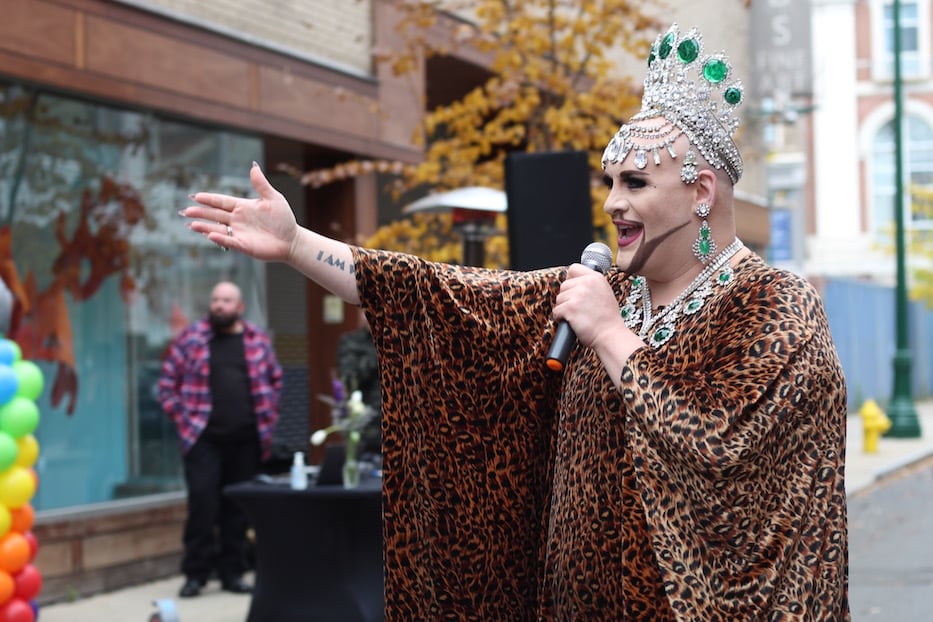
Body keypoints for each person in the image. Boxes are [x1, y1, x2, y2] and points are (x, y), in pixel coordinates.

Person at [180, 23, 849, 621]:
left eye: (635, 183)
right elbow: (442, 297)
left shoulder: (772, 304)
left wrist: (611, 336)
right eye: (608, 182)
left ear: (701, 192)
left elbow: (716, 445)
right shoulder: (602, 290)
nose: (613, 202)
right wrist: (298, 246)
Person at [158, 281, 283, 598]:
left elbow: (276, 381)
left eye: (226, 300)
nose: (219, 305)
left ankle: (233, 573)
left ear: (240, 307)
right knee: (202, 505)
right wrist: (182, 418)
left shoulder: (257, 340)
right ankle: (195, 575)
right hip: (203, 439)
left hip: (247, 440)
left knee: (238, 510)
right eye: (215, 299)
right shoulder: (192, 339)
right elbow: (166, 385)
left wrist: (268, 417)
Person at [336, 307, 382, 455]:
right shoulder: (351, 342)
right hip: (366, 425)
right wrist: (379, 353)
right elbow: (350, 380)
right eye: (365, 311)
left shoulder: (401, 341)